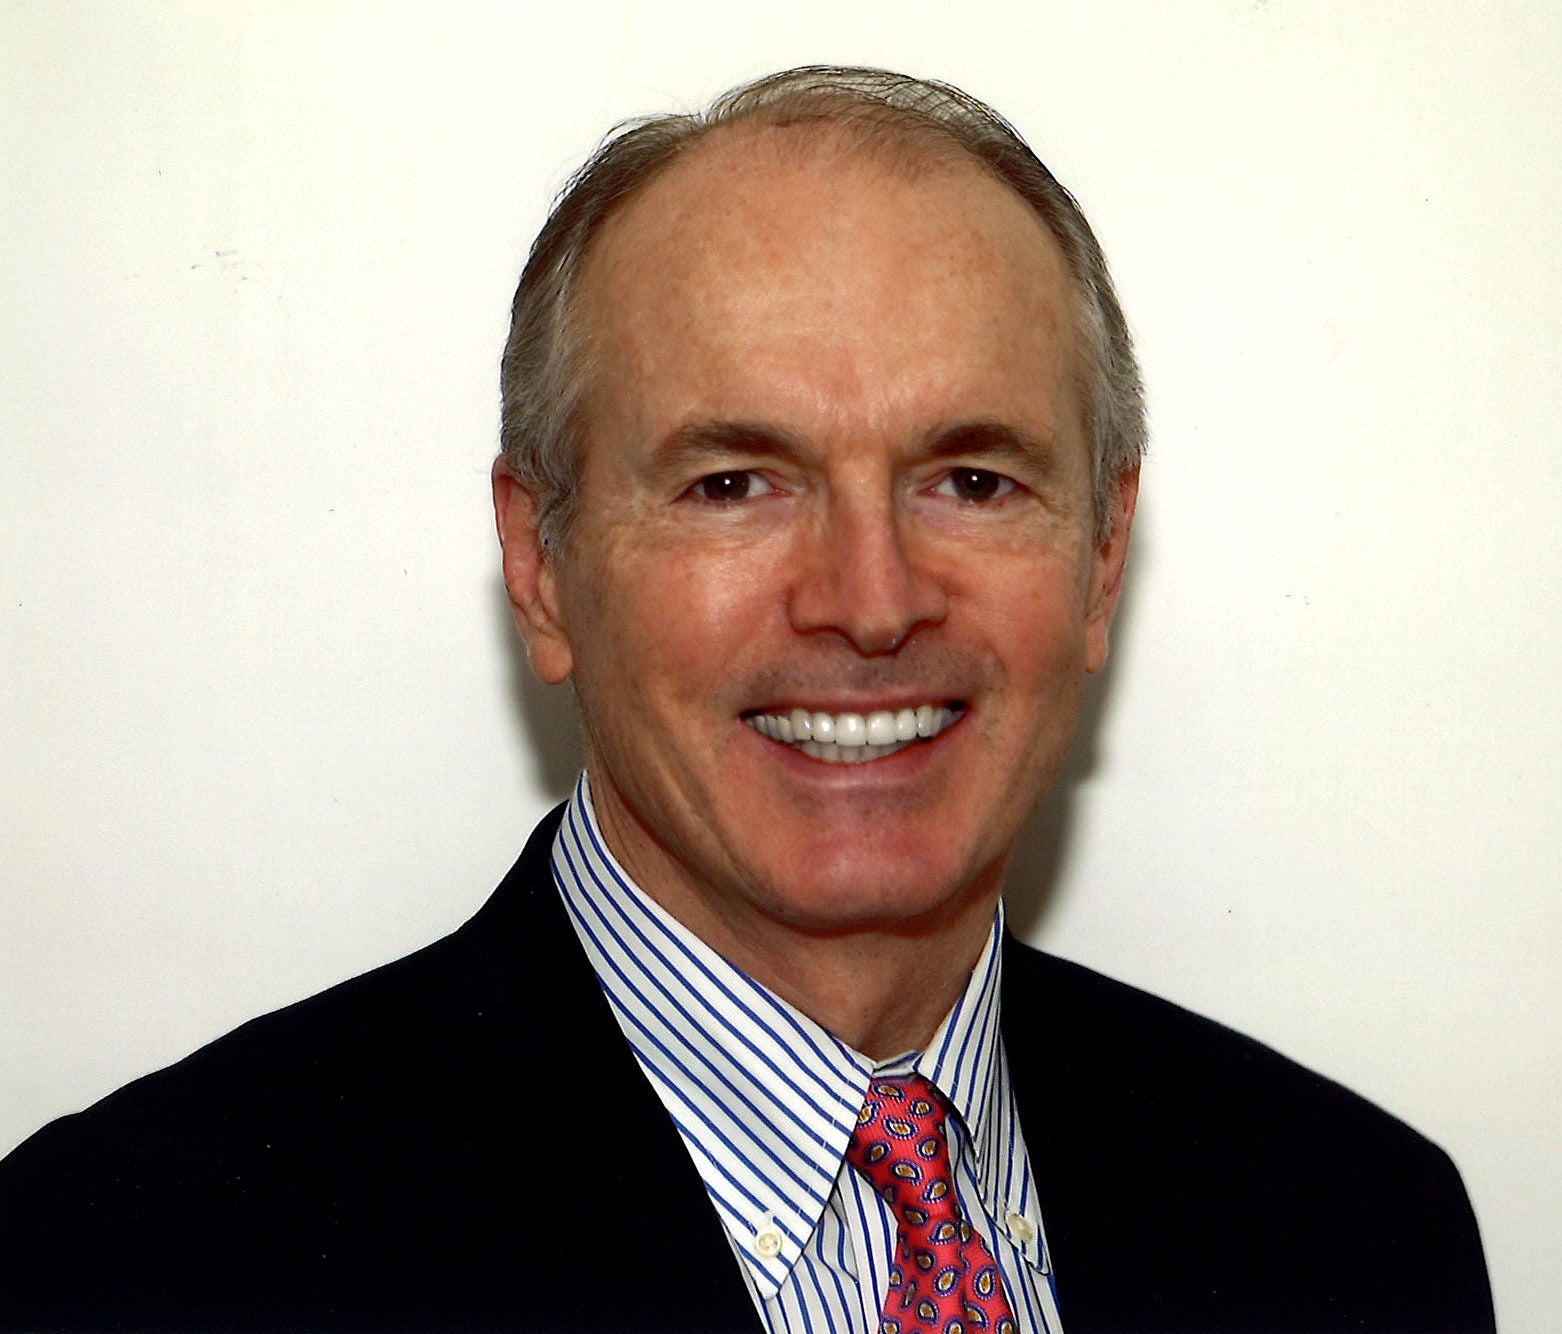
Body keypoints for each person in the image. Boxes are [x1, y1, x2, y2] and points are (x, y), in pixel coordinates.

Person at [0, 66, 1493, 1334]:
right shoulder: (131, 1260)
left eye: (970, 478)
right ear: (541, 566)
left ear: (1101, 557)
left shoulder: (1360, 1230)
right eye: (733, 483)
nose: (869, 597)